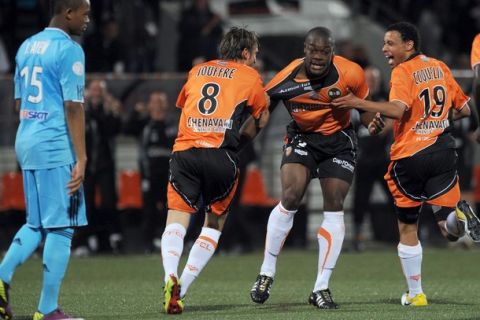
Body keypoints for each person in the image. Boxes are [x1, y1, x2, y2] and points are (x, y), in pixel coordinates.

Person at [332, 21, 480, 307]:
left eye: (390, 42)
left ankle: (416, 294)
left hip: (410, 158)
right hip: (443, 153)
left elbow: (398, 109)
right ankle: (460, 215)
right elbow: (463, 109)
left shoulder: (402, 71)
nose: (384, 48)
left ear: (409, 44)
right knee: (448, 232)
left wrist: (357, 103)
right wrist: (431, 120)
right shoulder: (439, 66)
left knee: (408, 228)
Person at [250, 26, 379, 310]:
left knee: (334, 204)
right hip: (302, 138)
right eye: (313, 50)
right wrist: (240, 140)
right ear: (304, 50)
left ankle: (321, 287)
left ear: (332, 51)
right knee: (291, 196)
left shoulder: (352, 72)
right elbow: (263, 108)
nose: (318, 57)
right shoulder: (286, 77)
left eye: (325, 51)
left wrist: (372, 121)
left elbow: (365, 108)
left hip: (339, 141)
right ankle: (266, 272)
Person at [161, 26, 269, 314]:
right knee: (213, 225)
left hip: (185, 152)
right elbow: (262, 116)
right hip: (221, 155)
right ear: (245, 53)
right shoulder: (250, 76)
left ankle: (169, 274)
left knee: (177, 219)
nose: (256, 60)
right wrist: (241, 142)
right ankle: (181, 286)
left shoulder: (197, 70)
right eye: (255, 54)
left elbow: (184, 104)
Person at [0, 0, 90, 319]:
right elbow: (73, 107)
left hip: (27, 140)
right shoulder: (69, 50)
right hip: (54, 144)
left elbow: (18, 104)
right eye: (84, 12)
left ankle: (1, 277)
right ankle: (48, 310)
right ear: (68, 12)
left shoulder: (26, 46)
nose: (87, 19)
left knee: (35, 224)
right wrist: (81, 156)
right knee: (63, 228)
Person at [123, 91, 177, 252]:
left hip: (170, 173)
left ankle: (168, 241)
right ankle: (148, 243)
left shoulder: (172, 125)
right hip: (149, 174)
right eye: (154, 102)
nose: (158, 105)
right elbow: (126, 129)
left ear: (166, 105)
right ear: (149, 105)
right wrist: (135, 112)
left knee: (171, 208)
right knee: (149, 209)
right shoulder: (144, 124)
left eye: (161, 102)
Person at [351, 65, 393, 251]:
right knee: (360, 200)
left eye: (375, 80)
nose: (373, 83)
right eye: (369, 80)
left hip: (383, 158)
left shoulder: (386, 98)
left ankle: (407, 234)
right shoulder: (356, 101)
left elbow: (393, 120)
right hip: (363, 159)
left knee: (397, 198)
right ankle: (357, 238)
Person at [176, 0, 223, 71]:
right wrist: (211, 24)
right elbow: (190, 30)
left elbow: (218, 32)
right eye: (199, 1)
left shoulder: (211, 15)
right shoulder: (187, 15)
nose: (201, 2)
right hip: (189, 55)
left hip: (209, 56)